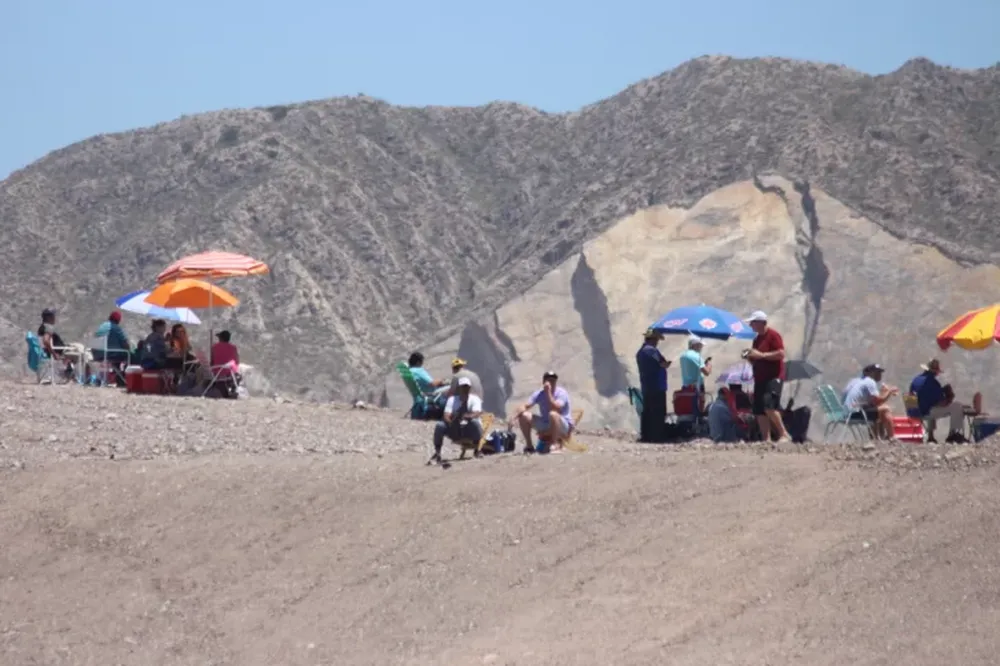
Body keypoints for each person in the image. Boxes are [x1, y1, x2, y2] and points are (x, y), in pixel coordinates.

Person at [744, 310, 791, 443]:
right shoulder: (757, 339)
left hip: (773, 376)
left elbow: (781, 354)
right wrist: (751, 357)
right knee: (759, 409)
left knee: (769, 405)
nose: (751, 325)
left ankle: (784, 433)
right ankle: (766, 438)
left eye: (753, 323)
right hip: (760, 377)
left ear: (761, 323)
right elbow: (756, 357)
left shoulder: (773, 335)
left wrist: (762, 355)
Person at [512, 370, 574, 453]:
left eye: (553, 380)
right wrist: (514, 417)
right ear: (544, 382)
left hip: (563, 426)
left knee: (553, 414)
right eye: (549, 380)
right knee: (524, 415)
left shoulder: (562, 393)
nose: (551, 382)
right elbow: (526, 406)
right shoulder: (539, 394)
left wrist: (548, 393)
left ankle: (555, 444)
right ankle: (529, 446)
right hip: (546, 423)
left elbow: (556, 408)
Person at [909, 359, 967, 443]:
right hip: (925, 412)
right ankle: (954, 434)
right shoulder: (932, 382)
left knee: (930, 406)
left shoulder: (916, 379)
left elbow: (926, 398)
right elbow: (942, 403)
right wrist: (950, 396)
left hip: (914, 411)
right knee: (956, 406)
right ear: (936, 372)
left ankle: (931, 437)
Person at [428, 377, 484, 465]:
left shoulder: (474, 399)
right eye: (462, 387)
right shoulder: (452, 400)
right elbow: (446, 414)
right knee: (440, 425)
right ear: (459, 388)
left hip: (468, 429)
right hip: (455, 428)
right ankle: (437, 453)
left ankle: (478, 450)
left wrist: (467, 416)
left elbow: (477, 413)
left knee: (475, 423)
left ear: (469, 388)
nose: (465, 389)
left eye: (466, 387)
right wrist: (451, 422)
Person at [843, 363, 898, 440]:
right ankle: (892, 437)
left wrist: (884, 392)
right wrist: (889, 391)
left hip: (849, 412)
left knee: (877, 410)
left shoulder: (859, 381)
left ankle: (877, 438)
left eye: (879, 372)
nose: (879, 374)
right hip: (854, 413)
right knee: (885, 409)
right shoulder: (870, 381)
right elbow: (878, 401)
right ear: (869, 373)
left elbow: (873, 402)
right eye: (876, 372)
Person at [635, 329, 670, 442]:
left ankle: (646, 435)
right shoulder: (651, 351)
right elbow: (662, 363)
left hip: (646, 385)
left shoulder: (640, 352)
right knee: (658, 412)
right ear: (653, 339)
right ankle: (656, 436)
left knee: (647, 411)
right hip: (657, 385)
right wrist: (667, 364)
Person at [37, 308, 75, 381]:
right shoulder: (48, 327)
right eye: (53, 315)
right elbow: (46, 341)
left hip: (51, 351)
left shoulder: (42, 327)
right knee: (81, 353)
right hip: (58, 351)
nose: (55, 317)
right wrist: (54, 354)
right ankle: (71, 375)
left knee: (74, 349)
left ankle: (69, 373)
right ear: (48, 317)